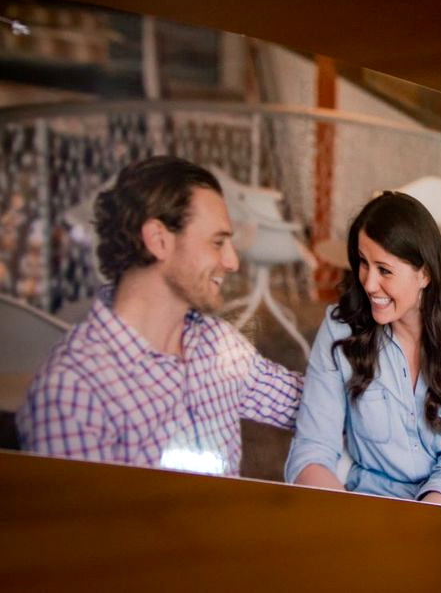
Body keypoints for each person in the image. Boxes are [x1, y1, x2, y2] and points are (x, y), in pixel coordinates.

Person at [16, 156, 303, 476]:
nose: (232, 261)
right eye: (218, 242)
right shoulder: (73, 390)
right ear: (159, 240)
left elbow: (306, 405)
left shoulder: (216, 342)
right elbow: (83, 526)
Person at [285, 191, 441, 510]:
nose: (368, 283)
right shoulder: (338, 331)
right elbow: (311, 451)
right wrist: (349, 520)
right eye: (363, 263)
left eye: (384, 270)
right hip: (367, 509)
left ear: (424, 274)